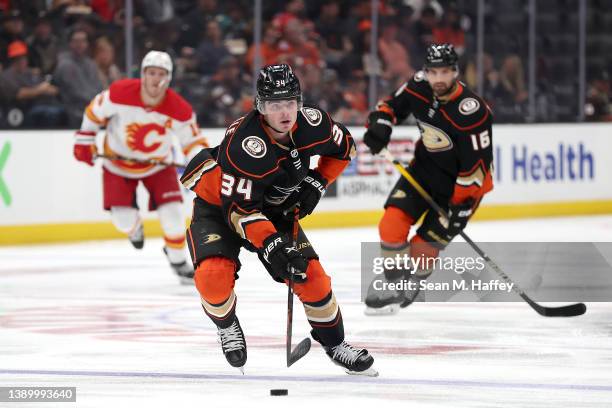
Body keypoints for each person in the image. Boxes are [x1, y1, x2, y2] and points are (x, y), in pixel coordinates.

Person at [181, 64, 376, 376]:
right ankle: (226, 324)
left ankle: (335, 344)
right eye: (275, 105)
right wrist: (272, 245)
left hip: (273, 210)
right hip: (221, 207)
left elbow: (344, 147)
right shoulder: (244, 146)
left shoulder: (312, 123)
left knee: (312, 278)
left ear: (299, 103)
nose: (285, 113)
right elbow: (239, 213)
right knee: (212, 279)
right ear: (261, 108)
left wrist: (318, 181)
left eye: (290, 103)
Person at [362, 44, 494, 315]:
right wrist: (381, 124)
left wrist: (461, 208)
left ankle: (415, 282)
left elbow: (476, 169)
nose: (438, 79)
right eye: (433, 72)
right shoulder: (418, 85)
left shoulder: (472, 112)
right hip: (423, 172)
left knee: (423, 248)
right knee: (390, 226)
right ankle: (395, 286)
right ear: (425, 72)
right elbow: (390, 106)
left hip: (461, 187)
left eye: (445, 72)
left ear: (456, 72)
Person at [73, 51, 208, 283]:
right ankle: (134, 227)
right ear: (143, 75)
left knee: (173, 215)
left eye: (161, 74)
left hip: (159, 166)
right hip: (117, 164)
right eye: (151, 73)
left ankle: (177, 261)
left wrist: (201, 164)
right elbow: (94, 112)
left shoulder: (179, 108)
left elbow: (193, 141)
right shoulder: (119, 93)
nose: (156, 79)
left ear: (169, 78)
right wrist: (85, 139)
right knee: (122, 219)